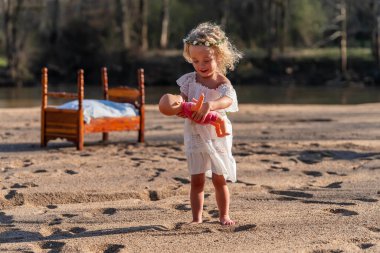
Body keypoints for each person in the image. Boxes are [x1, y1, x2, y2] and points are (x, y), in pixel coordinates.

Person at [176, 22, 242, 225]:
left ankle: (224, 215)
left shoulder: (222, 83)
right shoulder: (188, 80)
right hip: (195, 132)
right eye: (195, 61)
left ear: (219, 57)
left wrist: (210, 105)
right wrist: (179, 108)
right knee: (196, 179)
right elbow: (182, 102)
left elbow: (227, 100)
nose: (201, 65)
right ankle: (197, 218)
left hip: (217, 133)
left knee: (218, 178)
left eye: (206, 60)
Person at [158, 93, 230, 137]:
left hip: (201, 121)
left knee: (216, 124)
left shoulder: (181, 112)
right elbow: (197, 107)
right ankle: (223, 132)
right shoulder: (187, 105)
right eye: (176, 95)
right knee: (221, 120)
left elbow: (190, 114)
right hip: (208, 116)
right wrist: (201, 100)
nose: (178, 94)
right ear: (177, 103)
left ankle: (218, 132)